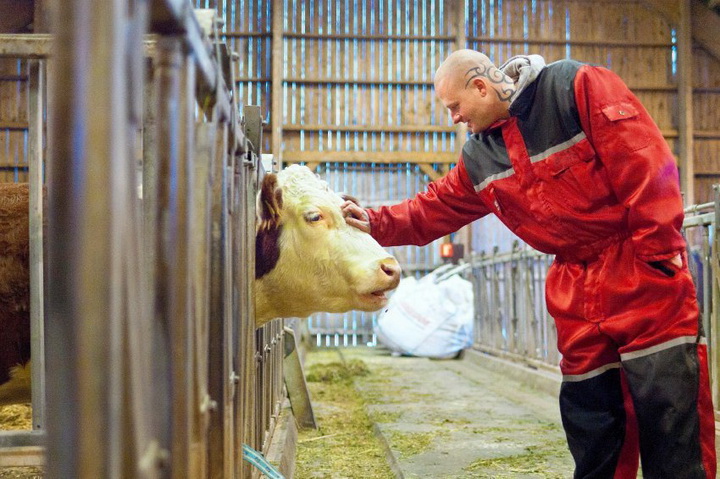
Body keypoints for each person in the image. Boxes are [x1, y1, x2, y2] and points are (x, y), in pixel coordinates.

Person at [342, 49, 717, 478]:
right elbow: (432, 208)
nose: (454, 119)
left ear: (480, 87)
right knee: (591, 420)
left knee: (668, 415)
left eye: (455, 107)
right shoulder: (480, 156)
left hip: (638, 270)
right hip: (573, 285)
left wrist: (656, 254)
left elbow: (645, 163)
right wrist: (373, 221)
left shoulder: (574, 88)